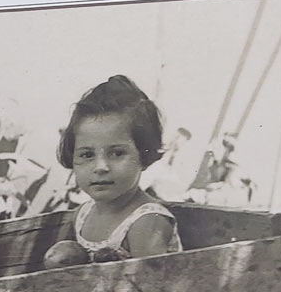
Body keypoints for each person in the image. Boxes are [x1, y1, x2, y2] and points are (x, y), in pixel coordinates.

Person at [43, 75, 183, 268]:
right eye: (87, 155)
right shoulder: (82, 214)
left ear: (144, 156)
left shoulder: (146, 222)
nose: (101, 167)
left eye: (117, 153)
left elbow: (152, 291)